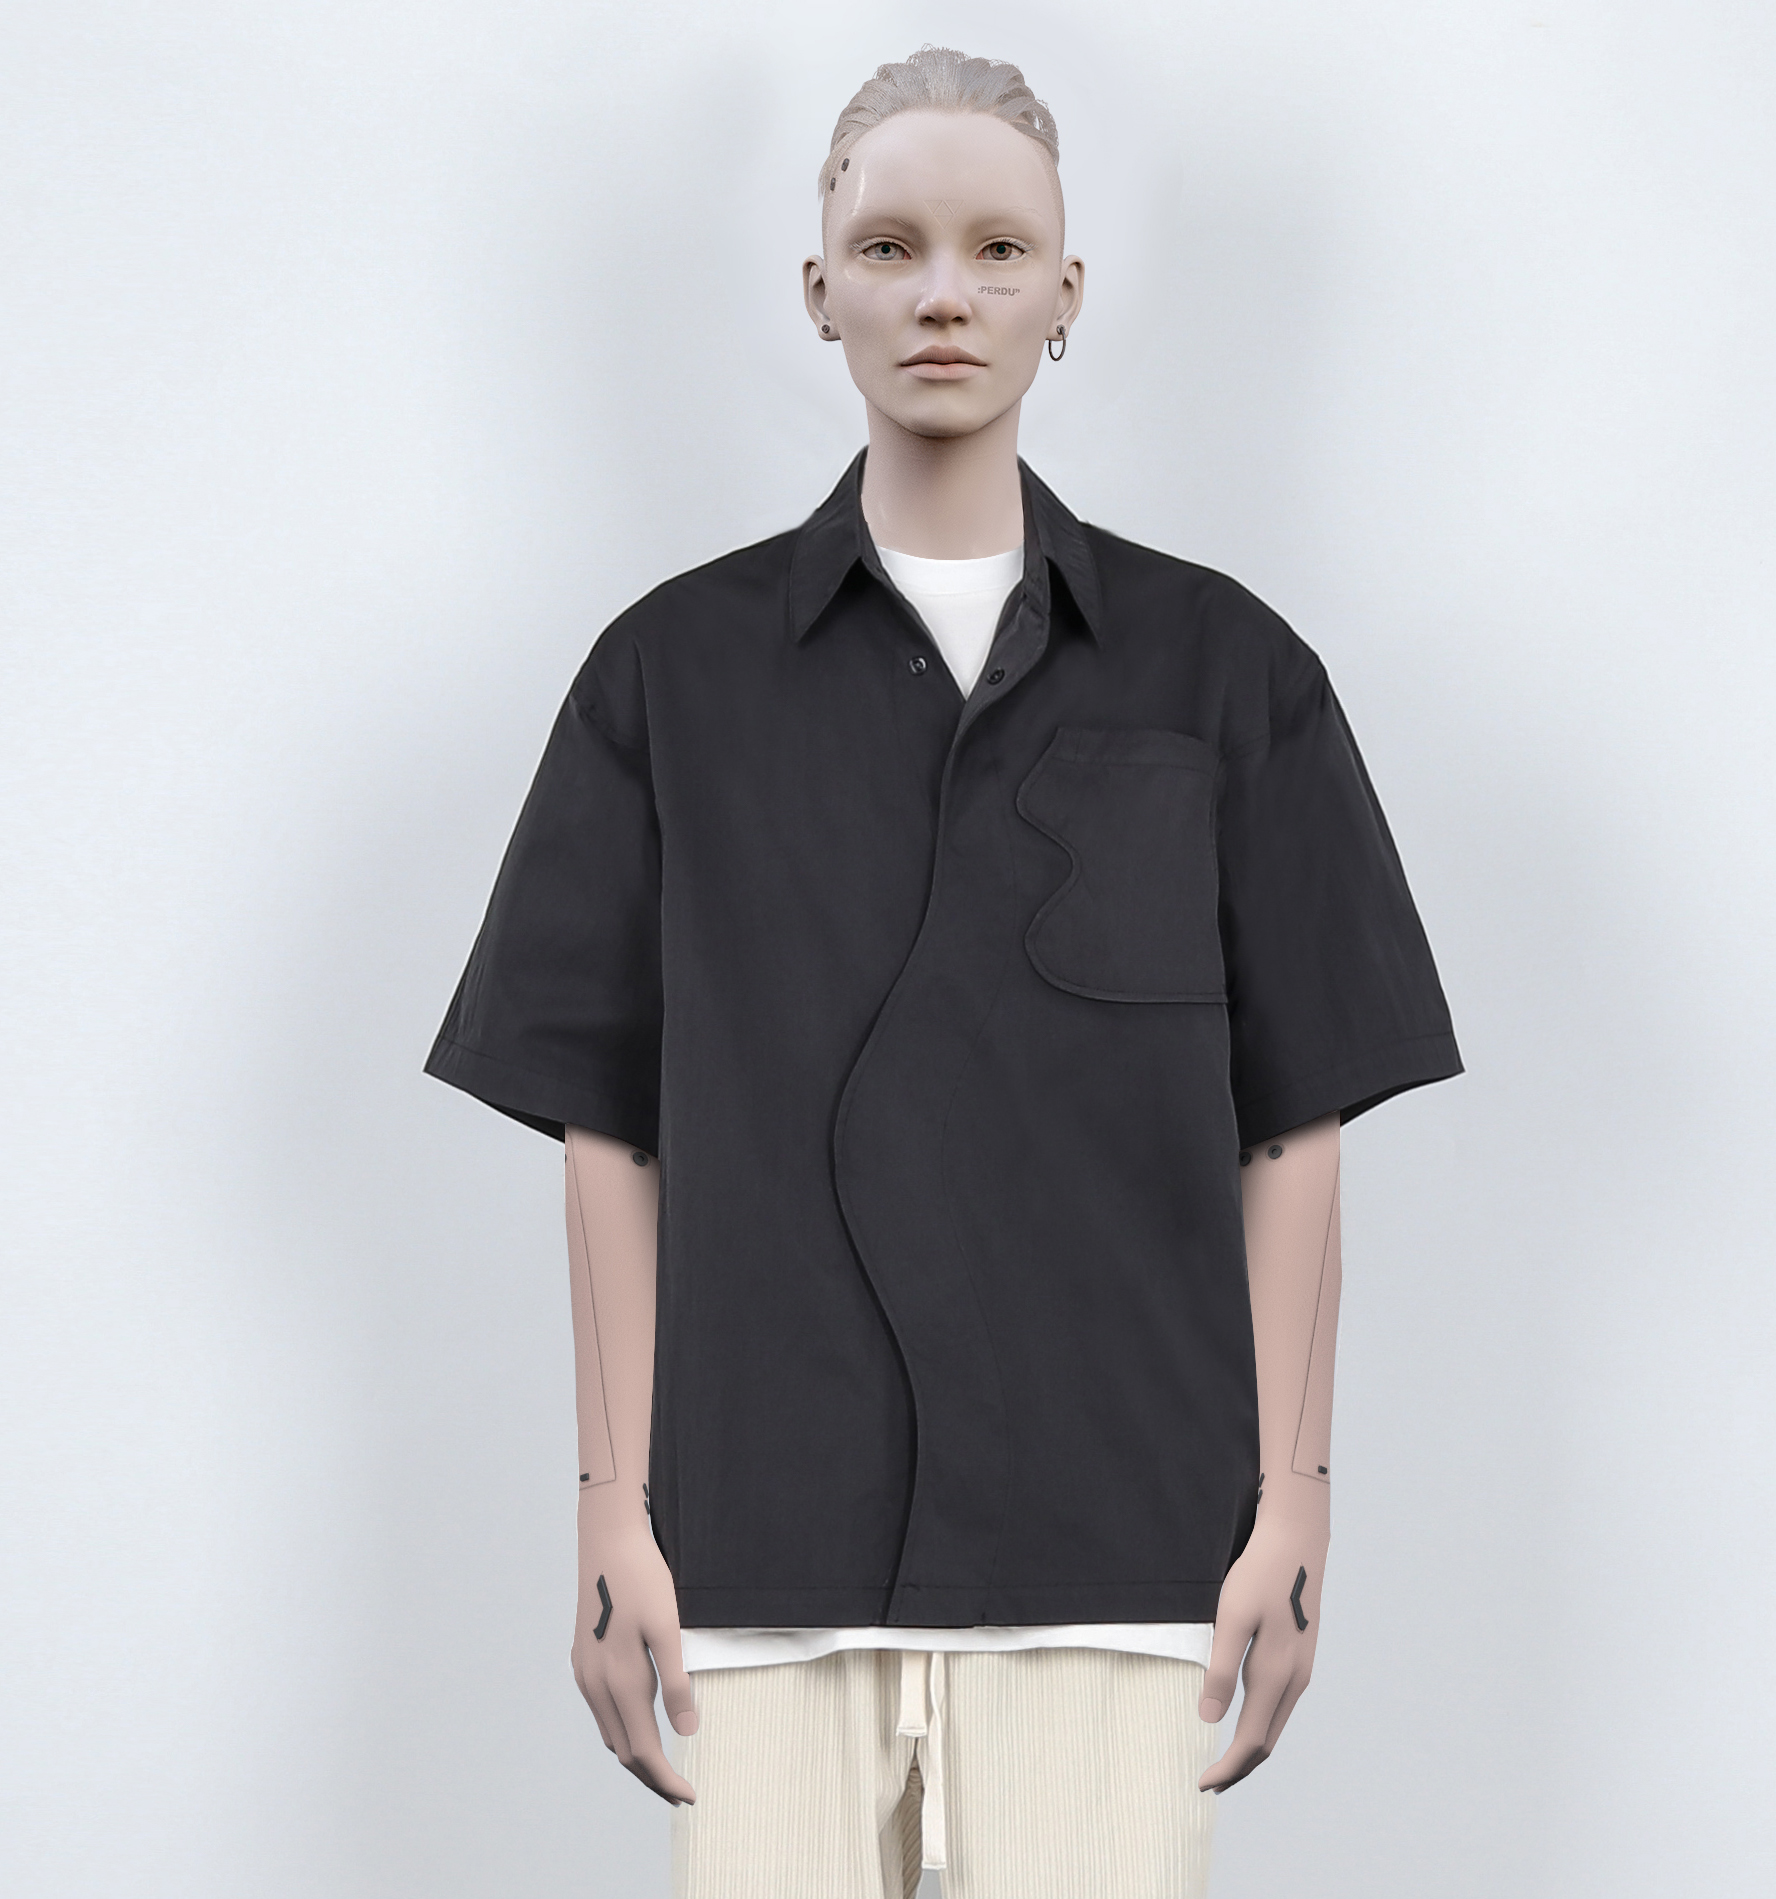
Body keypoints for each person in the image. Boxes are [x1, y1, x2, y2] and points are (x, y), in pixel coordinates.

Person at [425, 44, 1461, 1899]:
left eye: (998, 249)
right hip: (759, 1561)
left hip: (1119, 1554)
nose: (944, 294)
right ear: (816, 287)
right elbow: (607, 1128)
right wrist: (611, 1507)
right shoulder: (670, 679)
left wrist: (1294, 1501)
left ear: (1069, 292)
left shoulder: (1228, 675)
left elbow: (1293, 1125)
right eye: (891, 247)